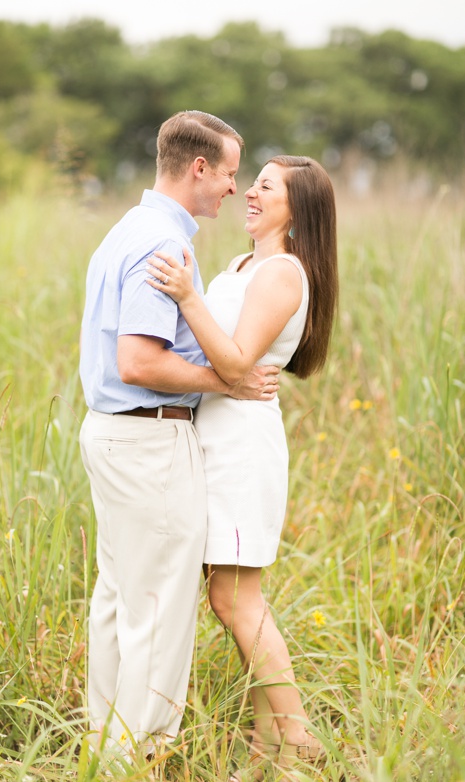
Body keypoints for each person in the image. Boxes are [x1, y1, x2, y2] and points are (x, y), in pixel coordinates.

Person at [78, 110, 280, 760]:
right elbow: (137, 362)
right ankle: (141, 760)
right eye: (227, 173)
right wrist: (230, 384)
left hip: (115, 436)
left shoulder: (127, 230)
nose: (233, 187)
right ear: (198, 168)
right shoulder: (163, 243)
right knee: (158, 613)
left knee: (119, 600)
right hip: (147, 443)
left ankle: (104, 754)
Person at [145, 153, 338, 778]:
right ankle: (263, 750)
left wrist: (185, 293)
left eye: (265, 187)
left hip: (241, 446)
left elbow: (234, 362)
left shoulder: (283, 273)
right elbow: (224, 365)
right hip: (212, 436)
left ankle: (300, 738)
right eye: (250, 183)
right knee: (226, 593)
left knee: (236, 599)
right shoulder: (240, 265)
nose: (249, 193)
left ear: (297, 206)